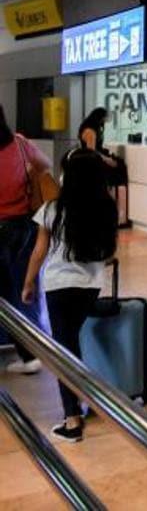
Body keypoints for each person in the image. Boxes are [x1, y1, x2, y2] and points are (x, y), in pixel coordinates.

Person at [21, 149, 118, 442]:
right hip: (90, 285)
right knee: (73, 344)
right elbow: (110, 250)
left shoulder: (53, 209)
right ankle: (84, 401)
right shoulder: (106, 207)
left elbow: (39, 251)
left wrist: (28, 283)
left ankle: (72, 419)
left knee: (64, 351)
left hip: (59, 286)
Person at [0, 105, 52, 374]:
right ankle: (31, 354)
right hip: (23, 227)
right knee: (25, 288)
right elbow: (46, 166)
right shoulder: (20, 144)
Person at [78, 108, 130, 228]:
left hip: (95, 158)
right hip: (91, 161)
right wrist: (107, 160)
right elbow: (92, 152)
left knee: (119, 166)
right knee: (117, 168)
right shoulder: (90, 131)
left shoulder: (94, 128)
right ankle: (116, 213)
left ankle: (118, 212)